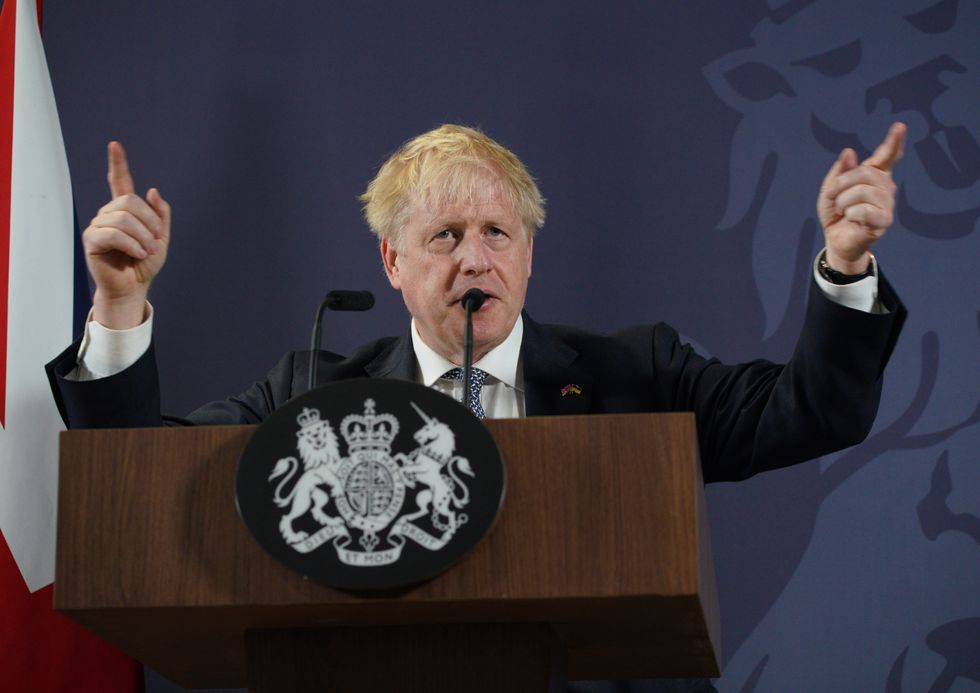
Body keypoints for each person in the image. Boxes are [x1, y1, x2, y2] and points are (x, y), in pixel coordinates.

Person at [46, 123, 906, 690]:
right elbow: (137, 486)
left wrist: (844, 267)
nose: (475, 260)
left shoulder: (634, 372)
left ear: (528, 255)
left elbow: (811, 411)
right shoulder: (311, 395)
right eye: (444, 237)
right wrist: (119, 305)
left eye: (498, 234)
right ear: (392, 261)